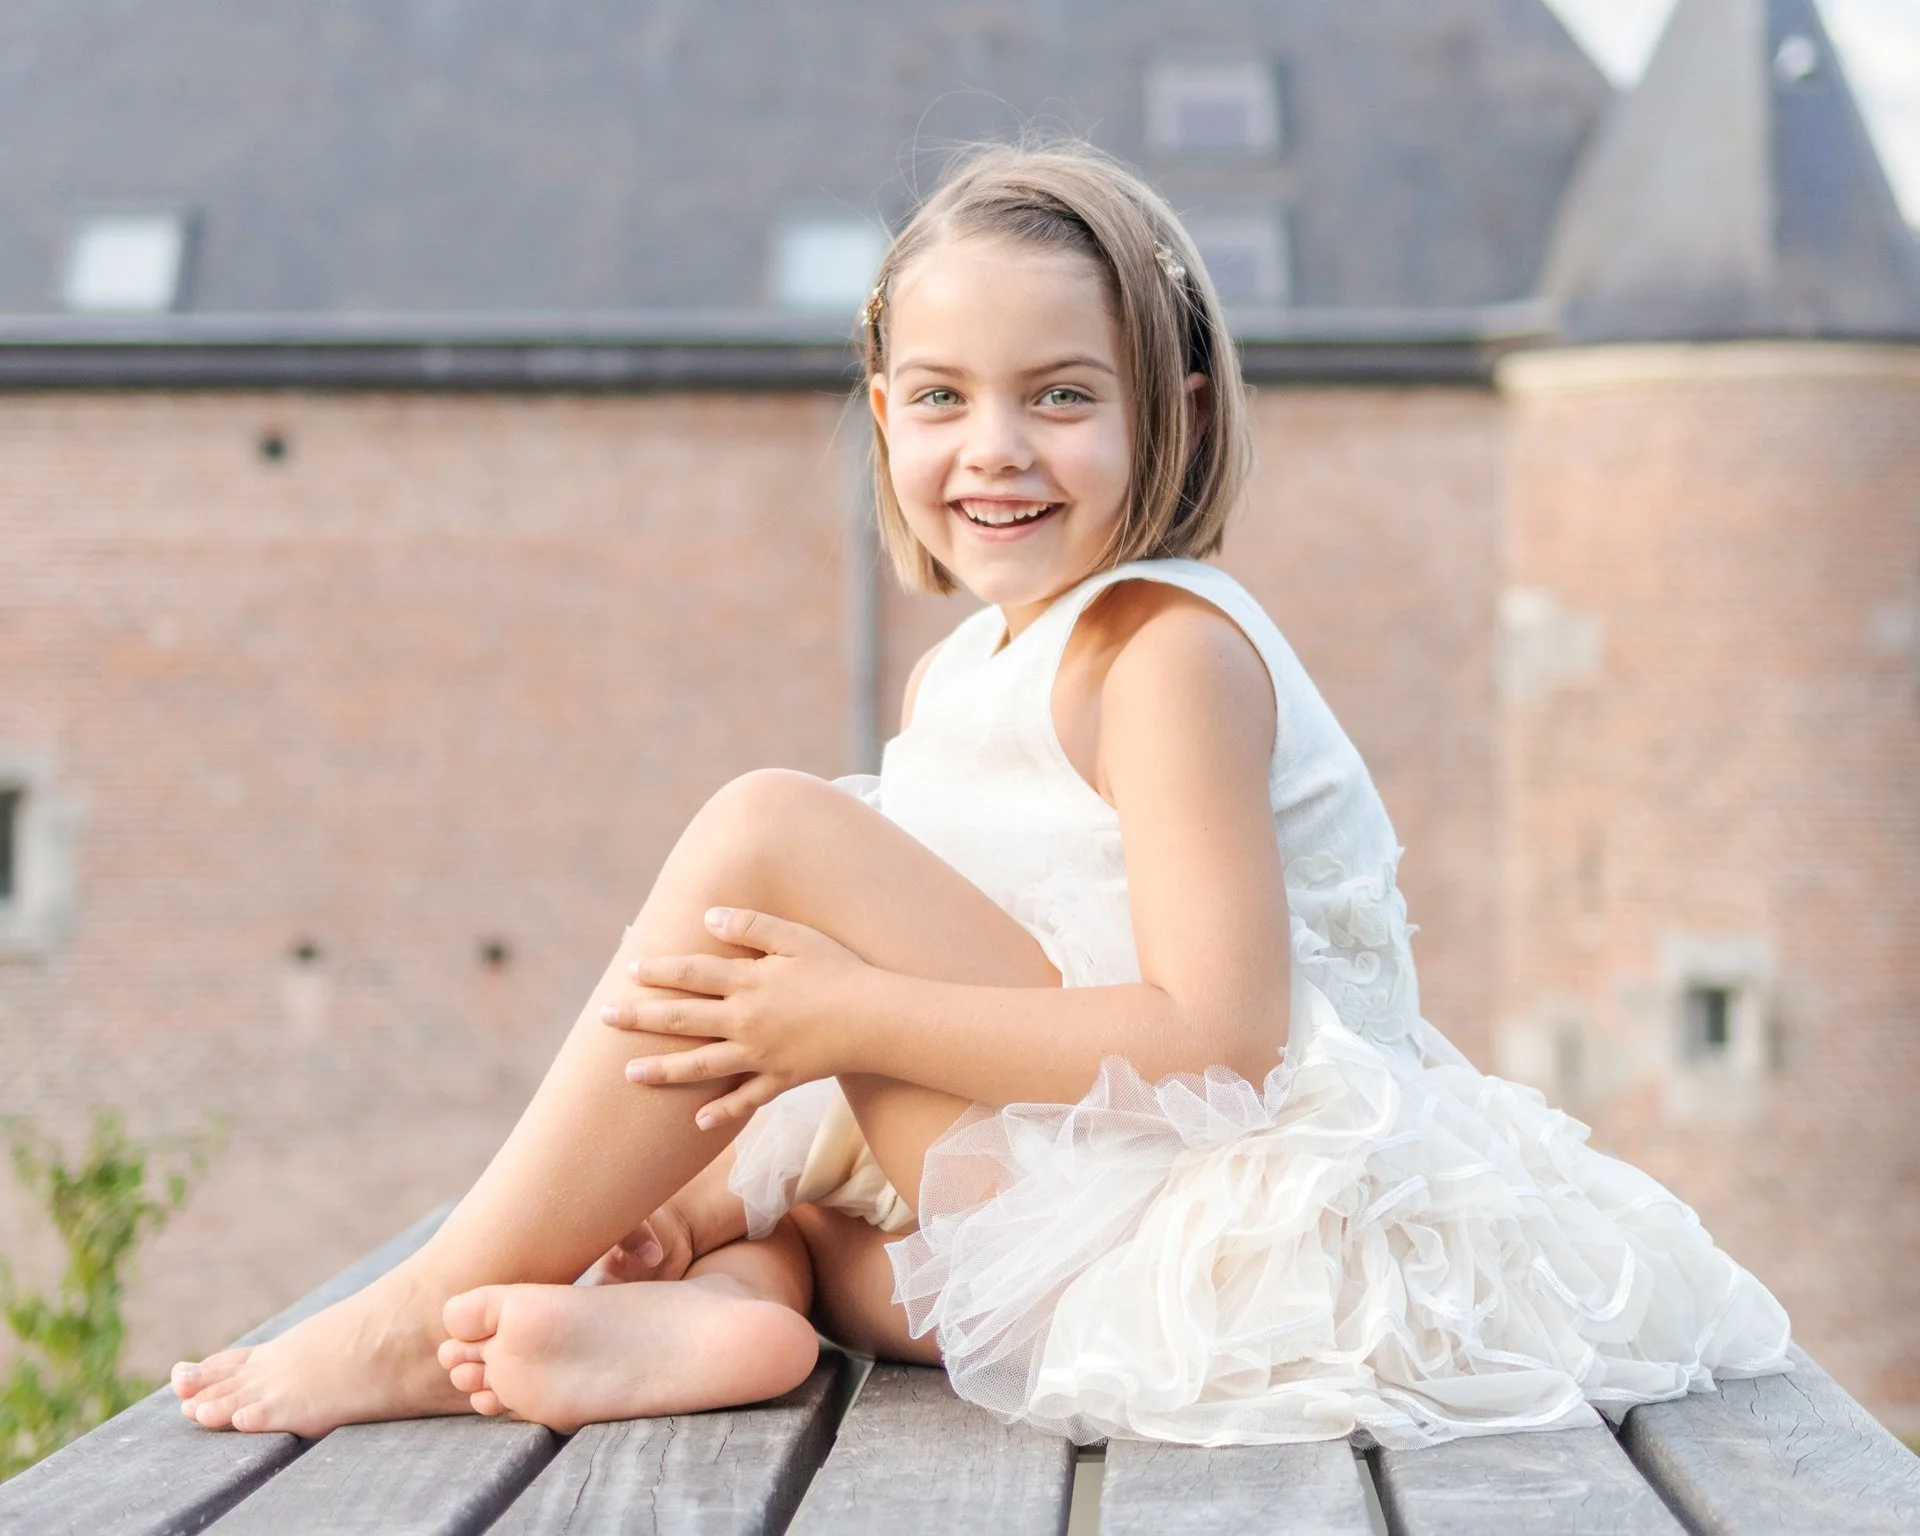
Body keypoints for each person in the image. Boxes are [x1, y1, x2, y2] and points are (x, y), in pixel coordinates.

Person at [171, 142, 1791, 1448]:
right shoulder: (966, 674)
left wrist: (843, 1019)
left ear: (1179, 409)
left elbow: (1218, 1040)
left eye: (1062, 396)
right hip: (1001, 1276)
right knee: (782, 1176)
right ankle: (746, 1300)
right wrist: (795, 1092)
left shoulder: (1163, 648)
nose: (993, 450)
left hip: (1211, 1221)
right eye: (939, 398)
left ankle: (434, 1297)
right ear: (882, 421)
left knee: (770, 830)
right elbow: (976, 982)